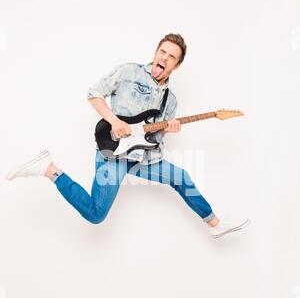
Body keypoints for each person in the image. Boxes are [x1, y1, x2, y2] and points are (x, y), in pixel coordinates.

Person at [5, 33, 250, 239]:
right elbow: (93, 93)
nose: (164, 57)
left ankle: (214, 224)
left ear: (176, 66)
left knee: (181, 178)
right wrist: (114, 120)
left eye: (171, 56)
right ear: (155, 53)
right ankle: (49, 169)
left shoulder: (170, 101)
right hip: (113, 153)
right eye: (162, 52)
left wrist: (168, 128)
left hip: (142, 158)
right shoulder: (129, 72)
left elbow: (153, 136)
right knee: (95, 214)